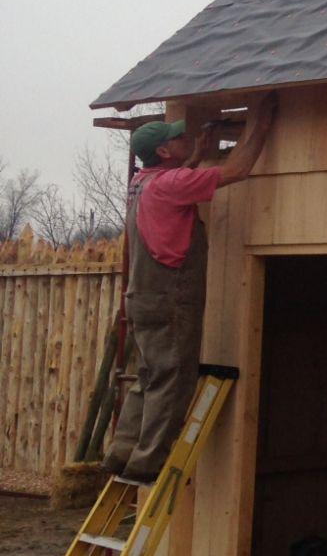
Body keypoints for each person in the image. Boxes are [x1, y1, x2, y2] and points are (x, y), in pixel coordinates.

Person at [104, 97, 276, 482]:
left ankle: (121, 454)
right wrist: (261, 123)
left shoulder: (142, 182)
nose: (185, 141)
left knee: (149, 377)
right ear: (163, 152)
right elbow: (239, 169)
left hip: (142, 298)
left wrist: (195, 155)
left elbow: (177, 180)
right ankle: (149, 464)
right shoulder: (173, 183)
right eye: (177, 141)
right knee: (175, 379)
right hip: (171, 297)